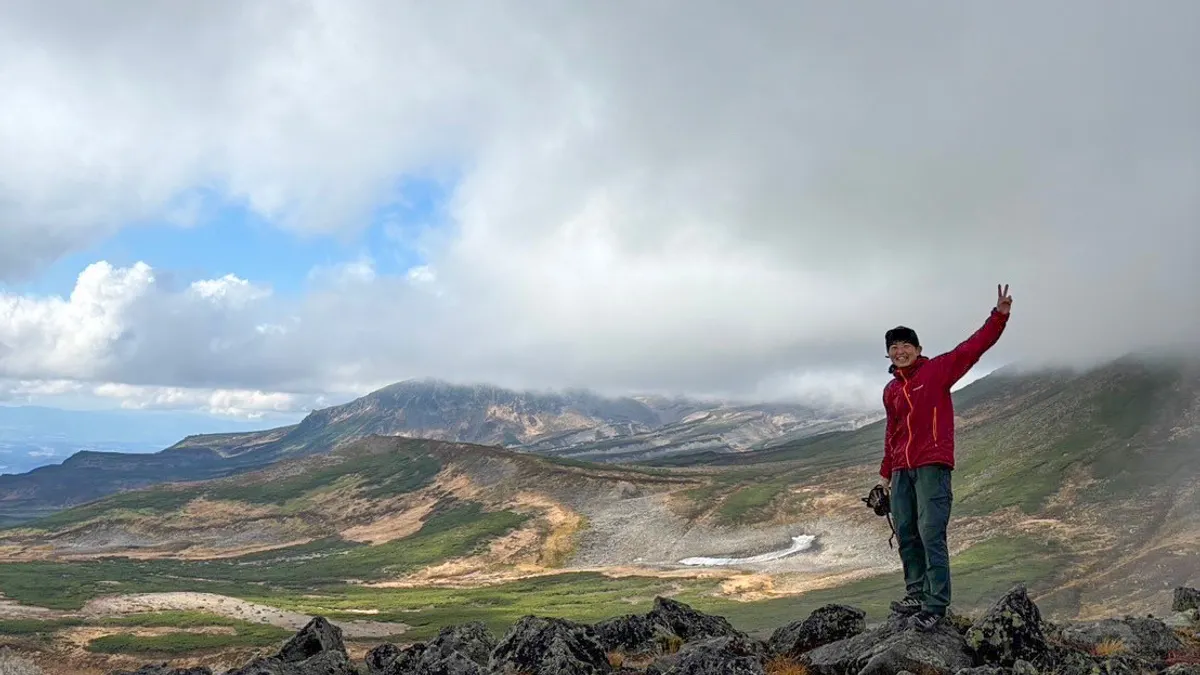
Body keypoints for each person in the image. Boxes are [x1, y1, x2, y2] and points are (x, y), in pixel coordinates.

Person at [878, 284, 1012, 631]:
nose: (900, 351)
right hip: (902, 470)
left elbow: (972, 349)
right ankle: (916, 593)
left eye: (906, 345)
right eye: (894, 348)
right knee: (906, 530)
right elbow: (892, 433)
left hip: (932, 466)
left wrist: (998, 316)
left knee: (930, 532)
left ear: (919, 349)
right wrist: (885, 475)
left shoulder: (936, 372)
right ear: (889, 355)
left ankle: (936, 605)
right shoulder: (891, 390)